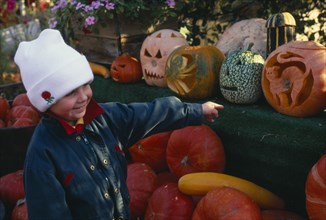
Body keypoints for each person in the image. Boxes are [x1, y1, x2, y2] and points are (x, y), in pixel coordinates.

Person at [14, 29, 224, 220]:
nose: (83, 97)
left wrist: (194, 110)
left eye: (86, 85)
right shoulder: (42, 155)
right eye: (70, 93)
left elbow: (148, 114)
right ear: (47, 101)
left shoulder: (104, 118)